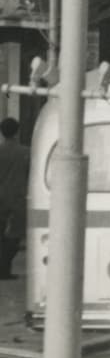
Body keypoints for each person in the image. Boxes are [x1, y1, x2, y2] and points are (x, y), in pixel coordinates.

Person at [0, 118, 27, 280]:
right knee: (15, 236)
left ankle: (3, 269)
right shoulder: (25, 152)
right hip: (17, 199)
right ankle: (4, 269)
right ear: (17, 132)